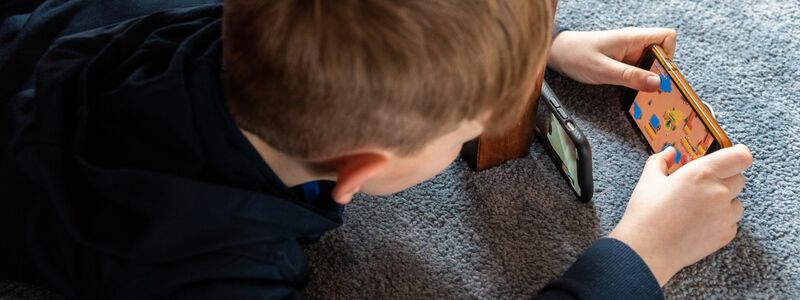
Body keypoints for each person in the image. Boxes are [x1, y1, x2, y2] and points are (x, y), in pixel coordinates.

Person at [0, 0, 752, 299]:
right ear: (365, 169)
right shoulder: (202, 269)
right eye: (464, 129)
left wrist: (528, 49)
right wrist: (636, 257)